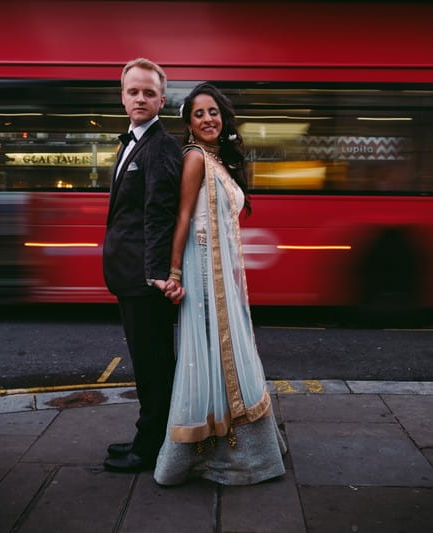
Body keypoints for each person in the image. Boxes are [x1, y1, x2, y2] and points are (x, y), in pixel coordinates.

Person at [153, 83, 286, 485]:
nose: (208, 119)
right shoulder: (194, 159)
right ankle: (202, 451)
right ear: (189, 124)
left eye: (214, 112)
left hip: (222, 275)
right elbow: (182, 218)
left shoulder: (217, 160)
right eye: (199, 114)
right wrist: (175, 272)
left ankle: (238, 441)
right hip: (203, 274)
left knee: (224, 351)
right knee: (212, 354)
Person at [102, 58, 183, 473]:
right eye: (133, 91)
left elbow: (159, 214)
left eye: (149, 92)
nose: (140, 98)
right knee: (147, 363)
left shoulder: (162, 147)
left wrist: (156, 274)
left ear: (162, 100)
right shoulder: (132, 141)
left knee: (153, 367)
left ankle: (150, 447)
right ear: (122, 96)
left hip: (143, 279)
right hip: (130, 275)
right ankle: (147, 435)